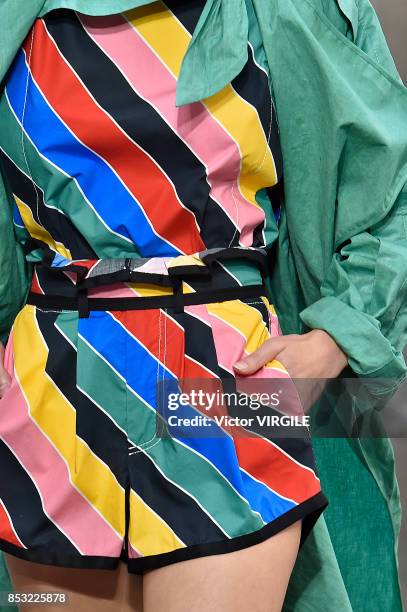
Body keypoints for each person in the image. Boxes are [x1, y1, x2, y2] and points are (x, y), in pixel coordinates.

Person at [0, 1, 406, 611]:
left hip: (219, 373)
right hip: (52, 385)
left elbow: (390, 183)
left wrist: (333, 341)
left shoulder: (282, 9)